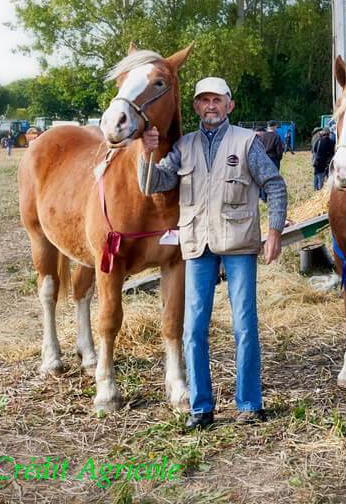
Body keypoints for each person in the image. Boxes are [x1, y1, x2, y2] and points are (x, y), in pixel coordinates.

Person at [139, 76, 287, 431]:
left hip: (238, 244)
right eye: (204, 100)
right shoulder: (183, 147)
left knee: (245, 327)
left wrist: (274, 231)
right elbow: (156, 183)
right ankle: (201, 407)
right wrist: (145, 152)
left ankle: (250, 404)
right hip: (197, 246)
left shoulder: (247, 142)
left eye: (217, 100)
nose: (210, 106)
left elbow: (274, 185)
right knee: (193, 328)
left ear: (229, 105)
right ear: (195, 107)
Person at [311, 125, 335, 191]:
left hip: (316, 160)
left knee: (316, 174)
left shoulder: (318, 141)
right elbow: (332, 152)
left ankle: (315, 189)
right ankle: (319, 191)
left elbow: (314, 149)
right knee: (321, 177)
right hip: (323, 162)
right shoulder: (330, 142)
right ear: (329, 134)